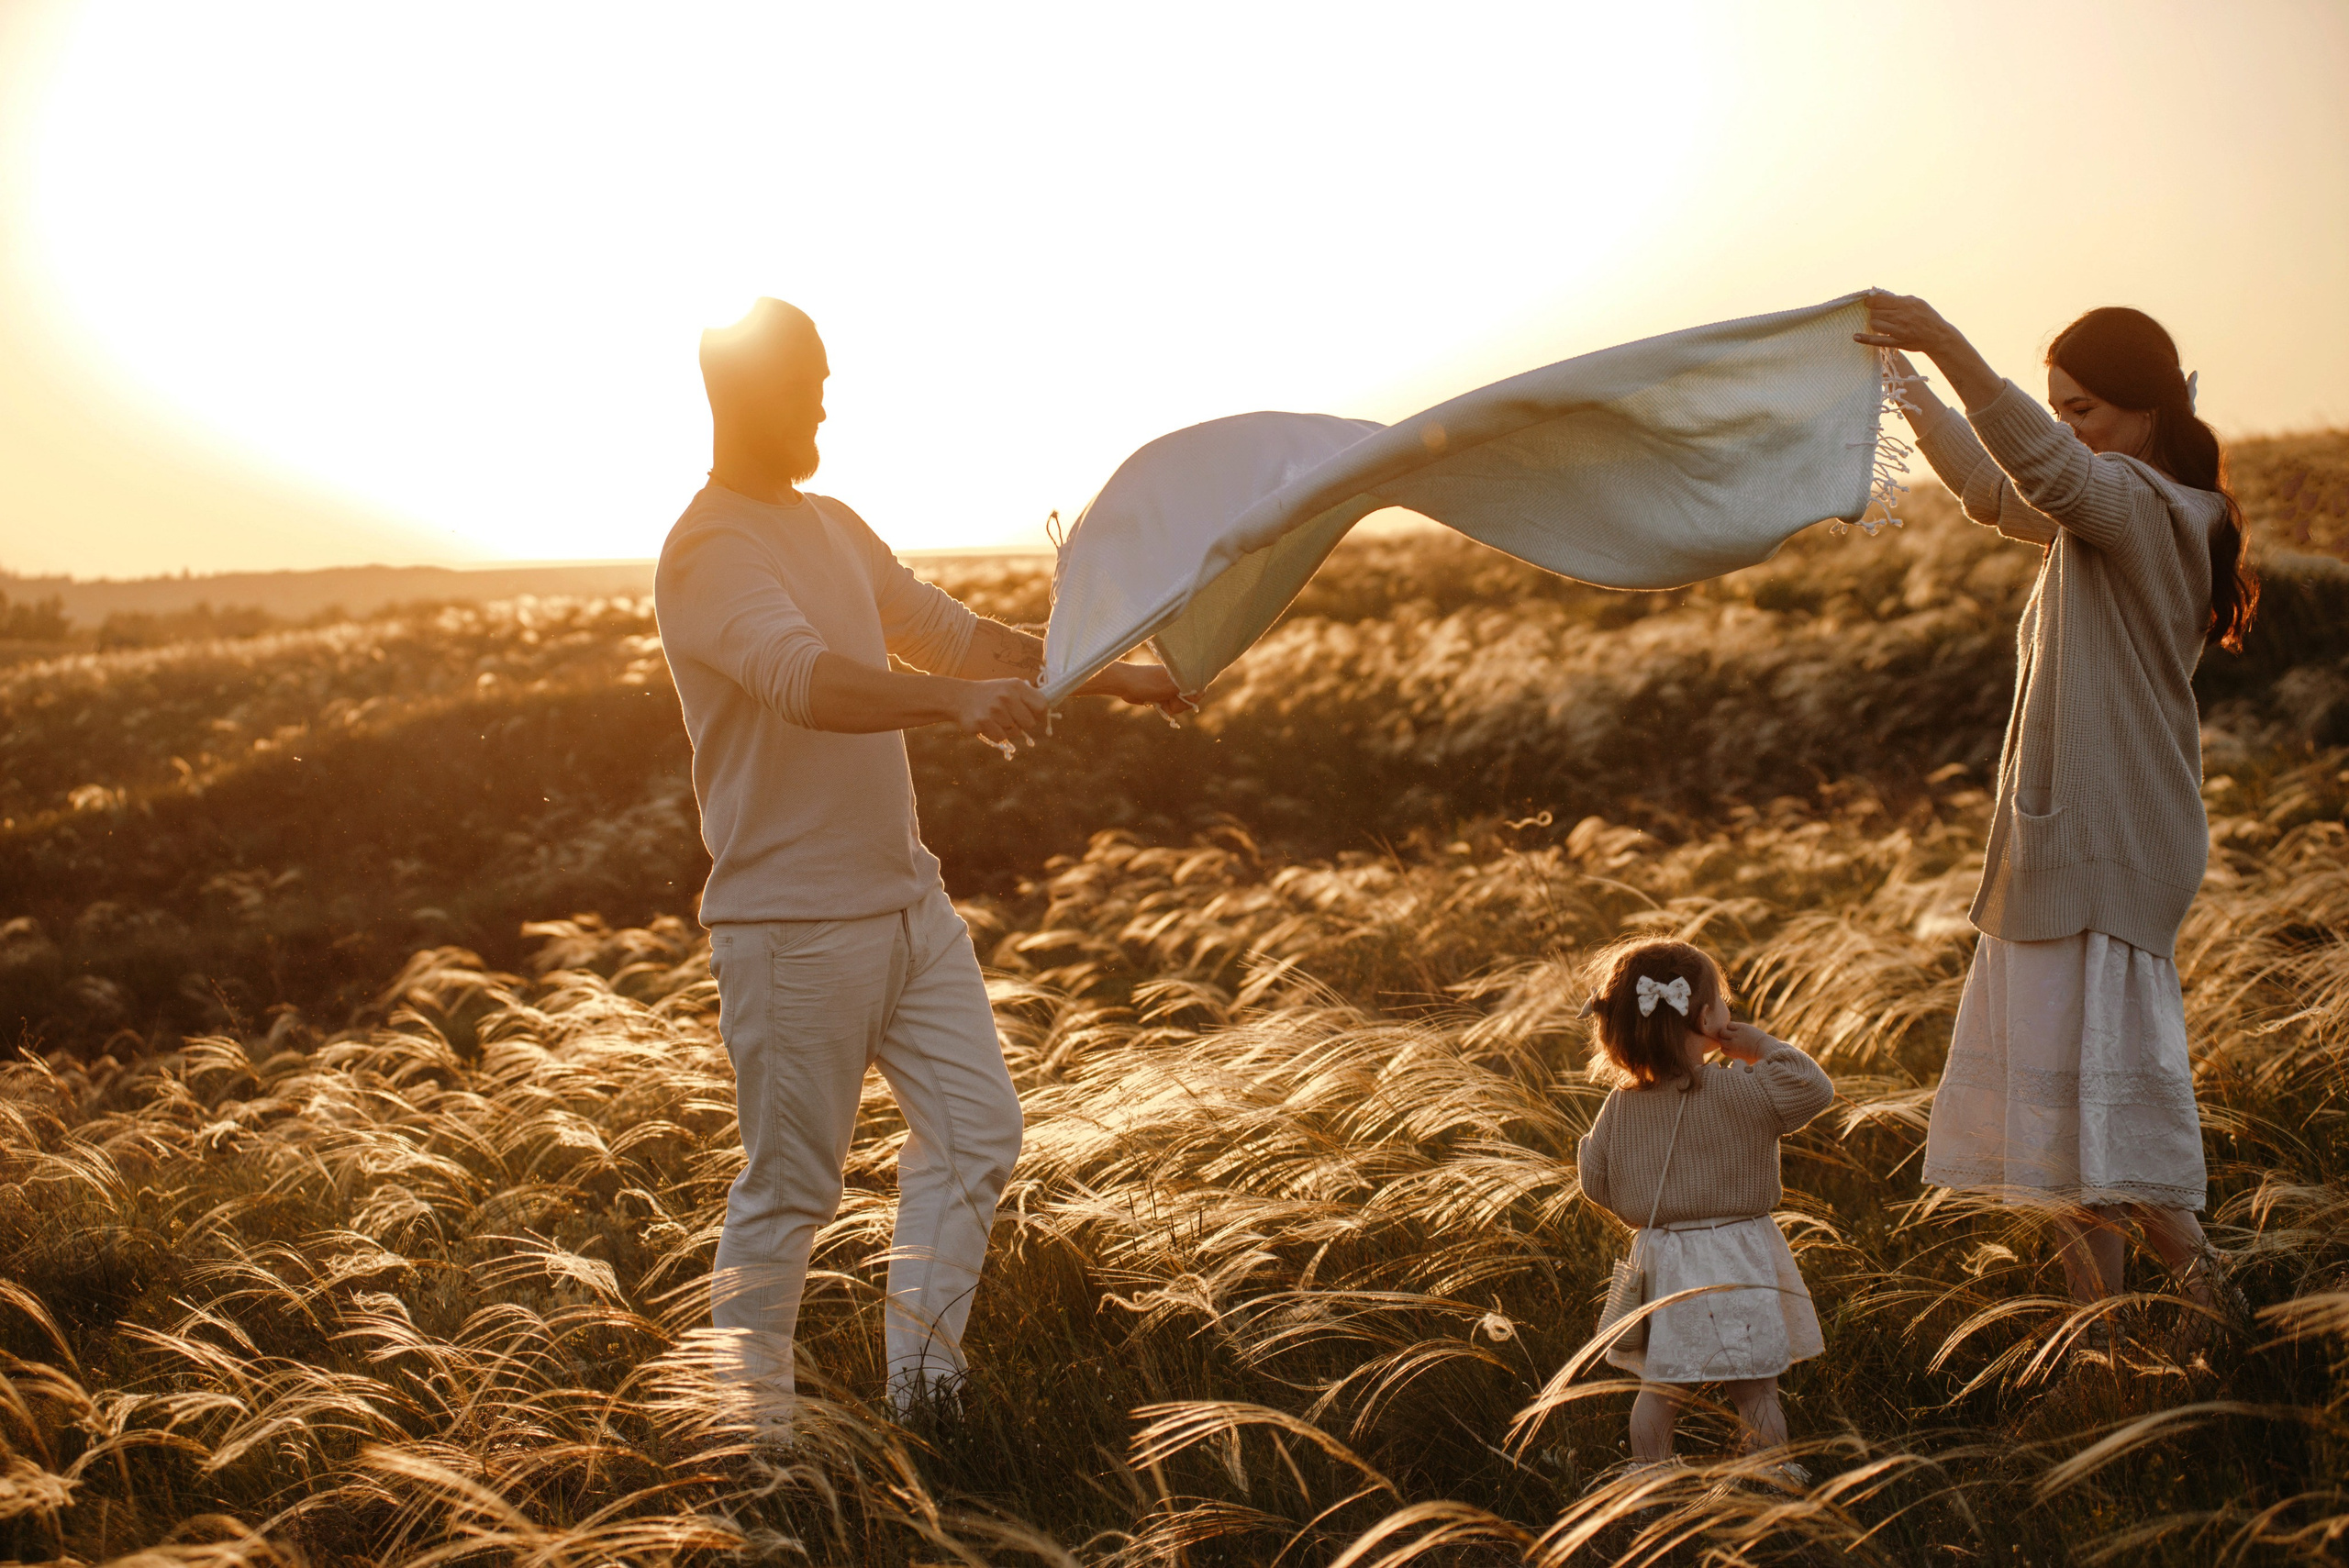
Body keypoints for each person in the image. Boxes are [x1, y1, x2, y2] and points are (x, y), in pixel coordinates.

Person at [655, 298, 1186, 1420]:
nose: (823, 400)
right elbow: (803, 679)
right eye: (809, 380)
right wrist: (954, 707)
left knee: (978, 1129)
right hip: (795, 928)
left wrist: (1118, 675)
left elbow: (953, 635)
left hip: (908, 904)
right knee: (790, 1189)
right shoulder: (707, 548)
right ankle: (748, 1444)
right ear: (748, 391)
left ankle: (925, 1395)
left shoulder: (832, 523)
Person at [1856, 296, 2258, 1345]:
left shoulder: (2155, 507)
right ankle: (2105, 1337)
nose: (2067, 424)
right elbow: (1998, 486)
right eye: (2057, 407)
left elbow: (2048, 470)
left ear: (2143, 405)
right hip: (2066, 845)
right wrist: (1903, 383)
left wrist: (1942, 338)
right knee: (2064, 1125)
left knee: (2103, 1116)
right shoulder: (2114, 501)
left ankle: (2211, 1293)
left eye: (2081, 406)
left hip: (2107, 842)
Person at [1575, 938, 1832, 1477]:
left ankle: (1650, 1472)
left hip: (1663, 1257)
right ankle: (1770, 1471)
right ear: (1706, 1018)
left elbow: (1594, 1180)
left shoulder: (1620, 1105)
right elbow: (1813, 1087)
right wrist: (1759, 1046)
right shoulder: (1745, 1092)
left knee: (1660, 1385)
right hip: (1737, 1253)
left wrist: (1643, 1205)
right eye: (1720, 1001)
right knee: (1755, 1385)